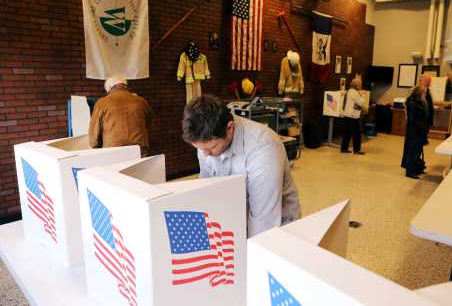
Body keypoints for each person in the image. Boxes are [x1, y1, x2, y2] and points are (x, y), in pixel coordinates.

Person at [182, 95, 301, 237]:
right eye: (200, 149)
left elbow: (263, 222)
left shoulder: (263, 147)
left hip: (274, 229)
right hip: (236, 219)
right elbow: (207, 188)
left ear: (229, 128)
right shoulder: (205, 138)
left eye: (212, 147)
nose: (205, 154)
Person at [88, 76, 153, 157]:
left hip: (113, 150)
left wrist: (94, 146)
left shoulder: (101, 103)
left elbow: (94, 131)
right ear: (125, 86)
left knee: (117, 169)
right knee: (139, 169)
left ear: (109, 88)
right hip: (139, 148)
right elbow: (149, 122)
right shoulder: (141, 101)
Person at [402, 85, 429, 179]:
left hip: (419, 131)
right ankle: (410, 171)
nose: (425, 94)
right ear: (419, 93)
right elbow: (413, 120)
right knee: (412, 151)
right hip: (415, 131)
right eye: (424, 92)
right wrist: (419, 129)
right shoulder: (413, 103)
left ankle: (416, 169)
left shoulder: (419, 102)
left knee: (417, 151)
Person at [341, 78, 366, 154]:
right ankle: (357, 150)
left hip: (349, 115)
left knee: (347, 133)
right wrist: (363, 95)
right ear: (356, 85)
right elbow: (361, 102)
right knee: (357, 134)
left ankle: (344, 149)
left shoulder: (351, 91)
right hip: (352, 116)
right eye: (360, 84)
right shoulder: (354, 92)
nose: (361, 86)